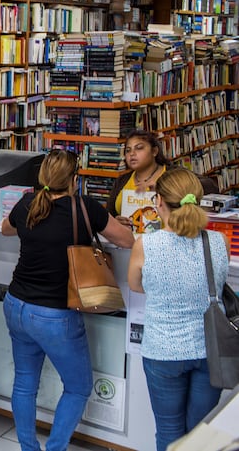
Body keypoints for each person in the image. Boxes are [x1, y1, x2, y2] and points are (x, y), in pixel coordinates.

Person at [0, 150, 134, 451]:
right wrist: (108, 221)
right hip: (55, 314)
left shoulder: (28, 203)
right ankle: (56, 447)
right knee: (78, 387)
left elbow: (6, 229)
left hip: (16, 304)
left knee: (24, 383)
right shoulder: (85, 208)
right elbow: (127, 240)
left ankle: (28, 448)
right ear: (75, 179)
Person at [127, 168, 229, 451]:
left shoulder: (145, 245)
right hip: (209, 350)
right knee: (199, 434)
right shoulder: (218, 241)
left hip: (163, 351)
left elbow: (135, 285)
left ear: (159, 201)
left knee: (169, 430)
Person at [107, 129, 217, 233]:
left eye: (139, 148)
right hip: (128, 241)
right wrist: (116, 222)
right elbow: (109, 215)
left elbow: (210, 187)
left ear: (154, 151)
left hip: (170, 239)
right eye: (128, 150)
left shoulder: (173, 174)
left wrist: (165, 188)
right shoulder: (122, 181)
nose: (132, 154)